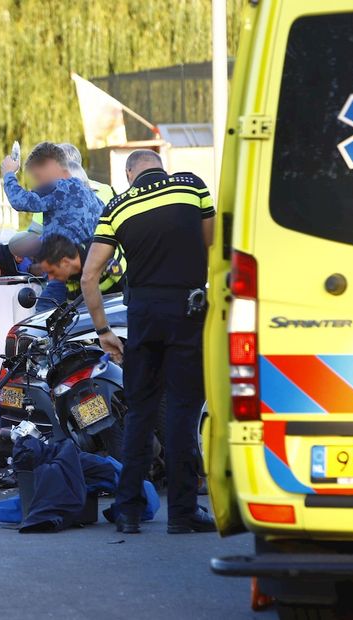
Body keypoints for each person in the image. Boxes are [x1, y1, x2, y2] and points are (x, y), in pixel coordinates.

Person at [80, 149, 215, 535]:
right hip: (187, 308)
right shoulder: (191, 186)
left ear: (129, 175)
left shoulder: (117, 208)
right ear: (160, 167)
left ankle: (128, 511)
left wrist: (104, 330)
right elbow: (211, 243)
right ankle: (183, 512)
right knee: (182, 410)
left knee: (140, 410)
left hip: (142, 315)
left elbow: (90, 276)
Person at [0, 142, 103, 310]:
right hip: (90, 273)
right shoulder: (85, 191)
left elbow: (20, 201)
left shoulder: (57, 187)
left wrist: (8, 174)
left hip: (63, 276)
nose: (37, 184)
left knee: (42, 322)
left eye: (38, 176)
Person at [33, 233, 125, 300]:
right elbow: (78, 313)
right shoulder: (70, 277)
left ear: (65, 262)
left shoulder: (103, 254)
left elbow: (135, 291)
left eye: (51, 272)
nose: (50, 278)